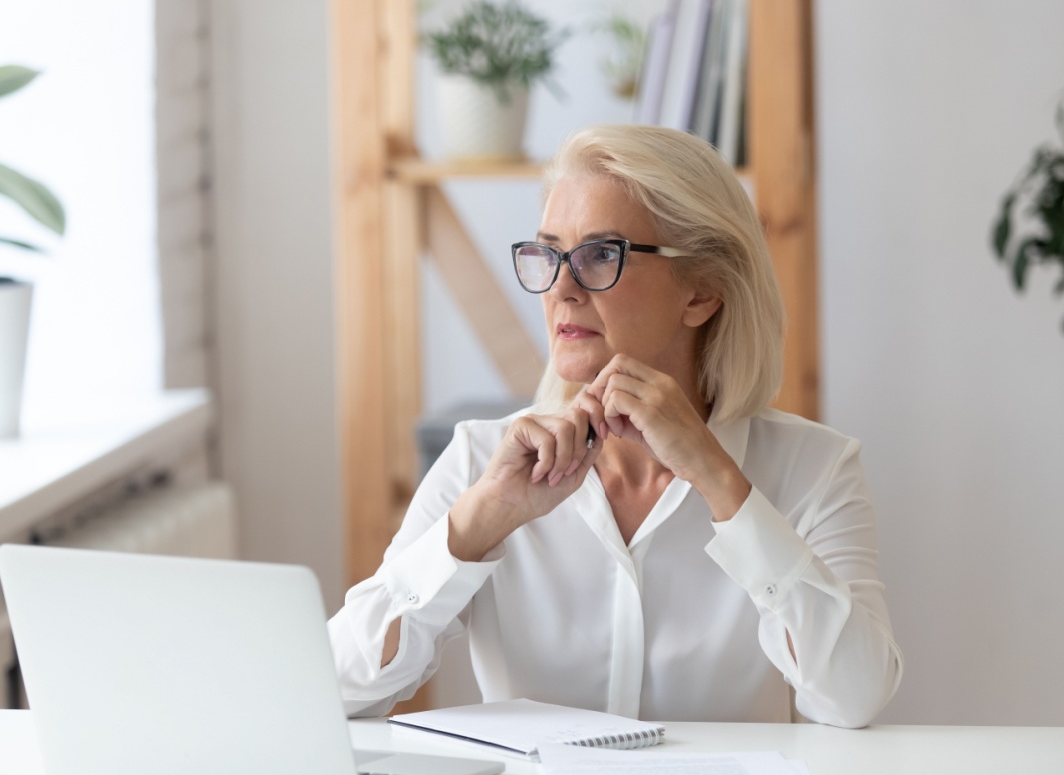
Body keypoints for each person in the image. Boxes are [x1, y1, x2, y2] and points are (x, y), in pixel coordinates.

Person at [328, 125, 902, 728]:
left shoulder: (815, 469)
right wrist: (478, 523)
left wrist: (719, 480)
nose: (562, 288)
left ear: (702, 291)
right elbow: (338, 687)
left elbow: (854, 697)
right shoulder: (481, 460)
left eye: (602, 254)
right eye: (549, 254)